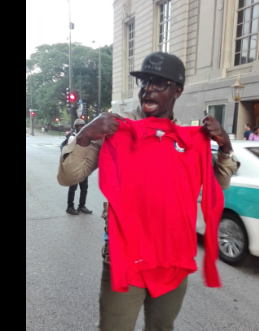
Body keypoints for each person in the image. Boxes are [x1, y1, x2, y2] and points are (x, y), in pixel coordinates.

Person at [57, 52, 240, 331]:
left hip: (173, 258)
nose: (148, 88)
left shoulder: (189, 138)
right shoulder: (115, 129)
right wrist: (85, 135)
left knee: (161, 328)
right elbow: (68, 177)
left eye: (159, 83)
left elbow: (220, 185)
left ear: (178, 90)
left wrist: (225, 147)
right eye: (145, 82)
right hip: (124, 256)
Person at [64, 119, 93, 215]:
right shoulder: (72, 137)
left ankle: (82, 206)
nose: (81, 127)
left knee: (84, 187)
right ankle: (70, 207)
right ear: (75, 127)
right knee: (73, 187)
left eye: (82, 126)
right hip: (74, 166)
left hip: (83, 166)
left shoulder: (86, 137)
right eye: (79, 126)